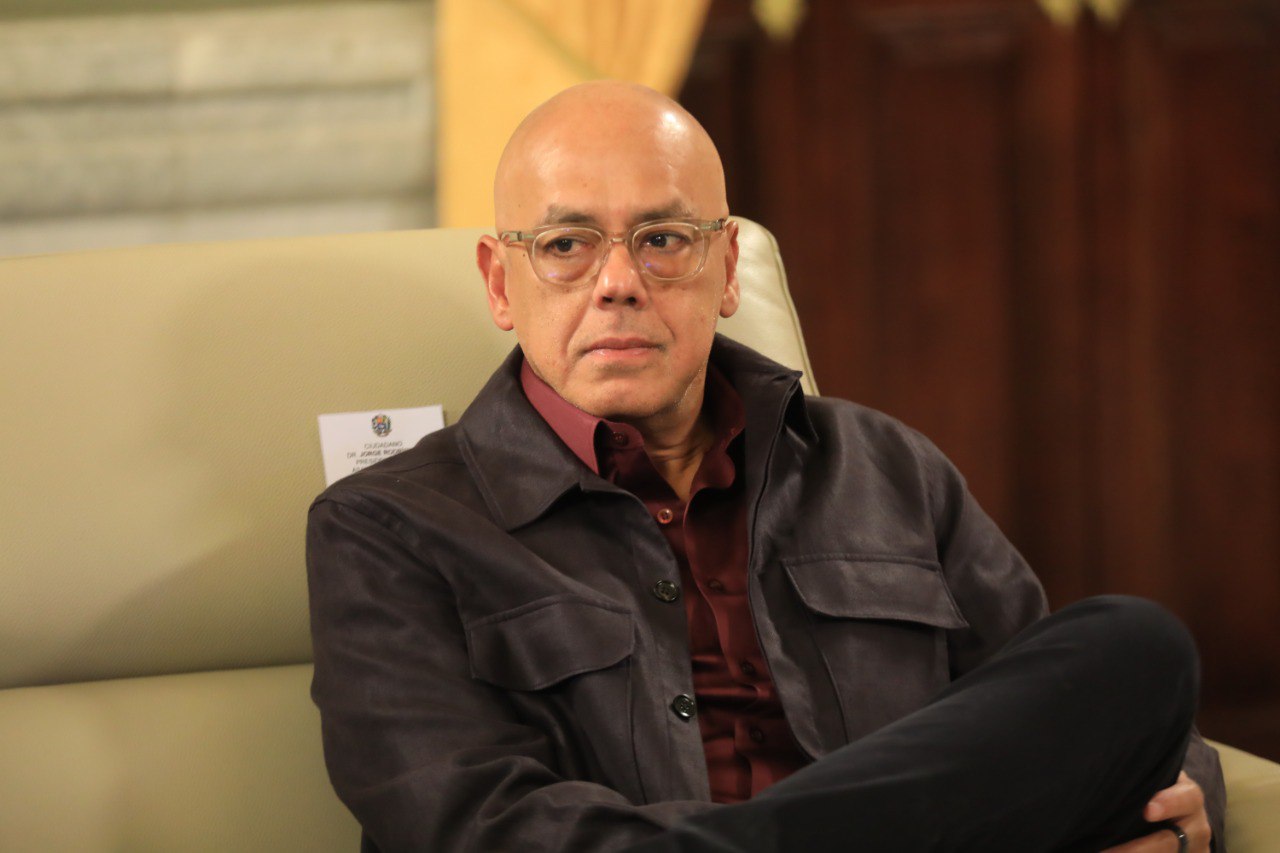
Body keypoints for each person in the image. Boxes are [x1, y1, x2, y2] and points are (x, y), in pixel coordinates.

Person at [306, 81, 1225, 852]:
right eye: (566, 245)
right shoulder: (387, 527)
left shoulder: (883, 467)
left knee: (1132, 647)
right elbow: (466, 823)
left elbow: (1055, 704)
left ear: (728, 267)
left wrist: (1185, 795)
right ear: (500, 282)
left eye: (663, 239)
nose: (618, 282)